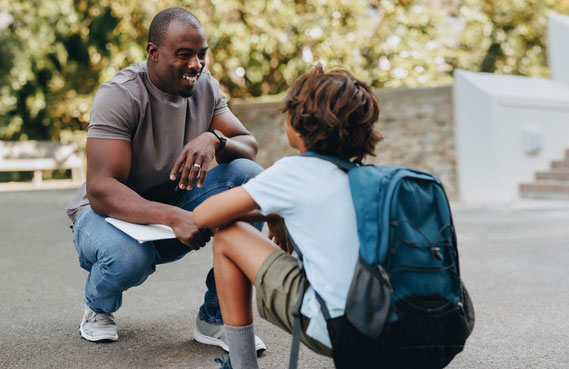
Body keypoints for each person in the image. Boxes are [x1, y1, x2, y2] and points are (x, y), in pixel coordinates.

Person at [65, 7, 266, 353]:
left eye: (201, 54)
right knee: (127, 259)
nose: (196, 65)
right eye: (184, 55)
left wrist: (215, 139)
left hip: (174, 208)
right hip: (108, 217)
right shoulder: (121, 94)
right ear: (153, 53)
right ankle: (98, 306)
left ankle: (216, 318)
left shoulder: (205, 87)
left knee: (251, 183)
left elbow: (248, 145)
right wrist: (175, 217)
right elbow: (101, 190)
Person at [192, 65, 383, 368]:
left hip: (339, 331)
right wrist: (274, 211)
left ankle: (241, 365)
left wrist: (269, 209)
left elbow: (203, 215)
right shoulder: (373, 179)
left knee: (230, 236)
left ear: (300, 125)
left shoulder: (294, 172)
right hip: (395, 327)